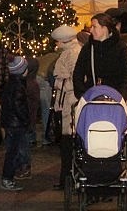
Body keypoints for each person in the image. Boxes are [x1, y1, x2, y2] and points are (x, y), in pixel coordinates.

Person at [49, 24, 83, 190]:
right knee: (67, 141)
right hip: (67, 101)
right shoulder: (71, 52)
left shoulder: (72, 54)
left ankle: (69, 177)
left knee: (68, 142)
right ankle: (67, 177)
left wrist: (60, 84)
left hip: (70, 102)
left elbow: (74, 80)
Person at [72, 12, 127, 100]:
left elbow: (126, 74)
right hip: (91, 97)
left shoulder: (120, 47)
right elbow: (78, 73)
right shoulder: (88, 48)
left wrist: (121, 97)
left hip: (114, 97)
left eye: (94, 26)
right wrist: (82, 95)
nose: (91, 30)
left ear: (104, 28)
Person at [0, 55, 31, 191]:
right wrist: (25, 119)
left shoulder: (11, 84)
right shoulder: (18, 86)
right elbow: (19, 106)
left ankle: (9, 176)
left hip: (11, 122)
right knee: (13, 152)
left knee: (12, 151)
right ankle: (7, 178)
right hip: (16, 124)